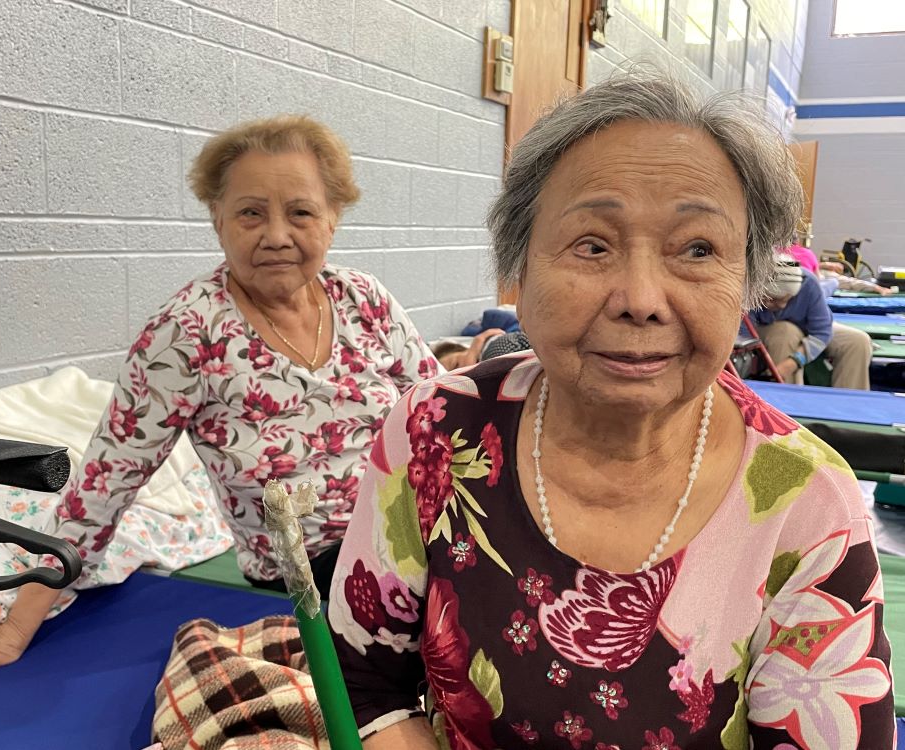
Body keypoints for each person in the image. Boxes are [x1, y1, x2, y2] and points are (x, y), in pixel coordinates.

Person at [327, 71, 893, 748]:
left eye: (697, 249)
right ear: (520, 268)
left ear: (745, 283)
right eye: (593, 245)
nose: (641, 297)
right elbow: (365, 687)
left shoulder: (810, 507)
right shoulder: (437, 430)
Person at [0, 115, 441, 676]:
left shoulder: (362, 298)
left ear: (332, 219)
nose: (276, 234)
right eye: (250, 212)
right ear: (217, 220)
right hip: (316, 568)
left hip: (424, 524)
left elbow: (440, 409)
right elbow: (105, 483)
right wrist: (16, 627)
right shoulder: (187, 333)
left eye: (300, 212)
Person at [750, 254, 873, 389]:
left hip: (806, 324)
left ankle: (849, 404)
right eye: (766, 298)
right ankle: (786, 403)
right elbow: (743, 333)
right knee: (786, 333)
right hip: (768, 328)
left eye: (777, 300)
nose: (768, 304)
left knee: (857, 341)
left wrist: (794, 361)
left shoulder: (808, 283)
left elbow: (822, 331)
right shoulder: (751, 284)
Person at [432, 328, 507, 370]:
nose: (458, 371)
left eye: (456, 364)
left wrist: (476, 344)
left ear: (465, 349)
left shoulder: (493, 347)